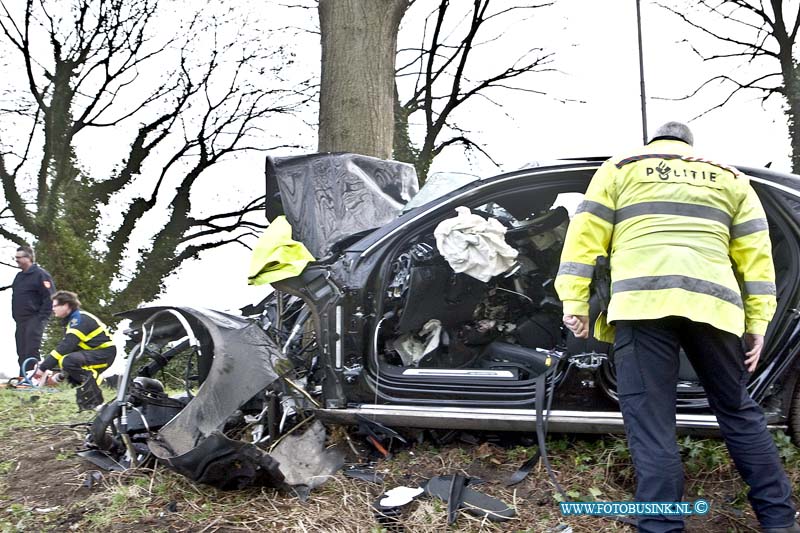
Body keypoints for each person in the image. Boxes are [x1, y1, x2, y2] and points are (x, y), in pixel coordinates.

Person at [555, 122, 799, 533]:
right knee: (738, 410)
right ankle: (779, 520)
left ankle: (662, 526)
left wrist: (575, 301)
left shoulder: (620, 167)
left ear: (654, 142)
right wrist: (757, 323)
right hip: (714, 307)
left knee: (653, 422)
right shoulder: (730, 178)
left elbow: (584, 239)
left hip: (641, 303)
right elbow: (757, 258)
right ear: (691, 146)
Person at [35, 291, 116, 411]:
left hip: (104, 353)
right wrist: (56, 372)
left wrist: (42, 368)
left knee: (69, 361)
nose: (53, 309)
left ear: (66, 305)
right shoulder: (73, 320)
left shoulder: (79, 320)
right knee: (71, 374)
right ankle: (108, 383)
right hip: (96, 353)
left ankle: (105, 384)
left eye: (55, 306)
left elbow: (66, 347)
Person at [11, 245, 55, 373]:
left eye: (19, 257)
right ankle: (23, 377)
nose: (16, 260)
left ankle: (32, 380)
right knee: (21, 351)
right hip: (20, 321)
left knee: (31, 351)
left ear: (28, 258)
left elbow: (50, 298)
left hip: (34, 318)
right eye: (16, 257)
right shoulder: (19, 277)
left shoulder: (41, 275)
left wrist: (41, 319)